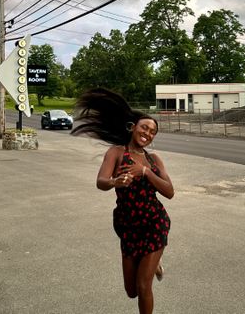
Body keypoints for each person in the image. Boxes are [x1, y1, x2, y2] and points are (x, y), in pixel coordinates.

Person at [71, 88, 174, 314]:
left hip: (153, 223)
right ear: (132, 127)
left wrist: (145, 172)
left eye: (153, 132)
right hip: (127, 226)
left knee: (143, 285)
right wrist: (115, 181)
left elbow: (169, 192)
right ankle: (153, 262)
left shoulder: (153, 159)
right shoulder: (117, 152)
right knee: (131, 291)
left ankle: (152, 260)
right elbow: (101, 181)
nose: (148, 133)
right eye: (144, 127)